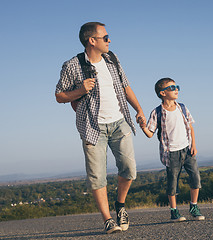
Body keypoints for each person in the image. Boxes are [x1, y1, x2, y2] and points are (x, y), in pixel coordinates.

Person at [55, 22, 145, 234]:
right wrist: (80, 89)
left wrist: (139, 109)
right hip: (92, 127)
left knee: (129, 170)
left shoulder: (112, 59)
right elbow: (59, 96)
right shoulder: (72, 65)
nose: (109, 40)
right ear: (91, 41)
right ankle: (107, 220)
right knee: (97, 175)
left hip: (119, 122)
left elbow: (125, 86)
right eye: (105, 37)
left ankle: (120, 205)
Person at [139, 77, 205, 222]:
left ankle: (194, 206)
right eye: (172, 87)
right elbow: (150, 133)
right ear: (162, 93)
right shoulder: (157, 112)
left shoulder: (182, 107)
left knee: (195, 178)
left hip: (187, 150)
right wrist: (143, 126)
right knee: (172, 182)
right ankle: (174, 211)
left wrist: (193, 145)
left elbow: (191, 127)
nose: (176, 90)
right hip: (171, 153)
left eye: (177, 87)